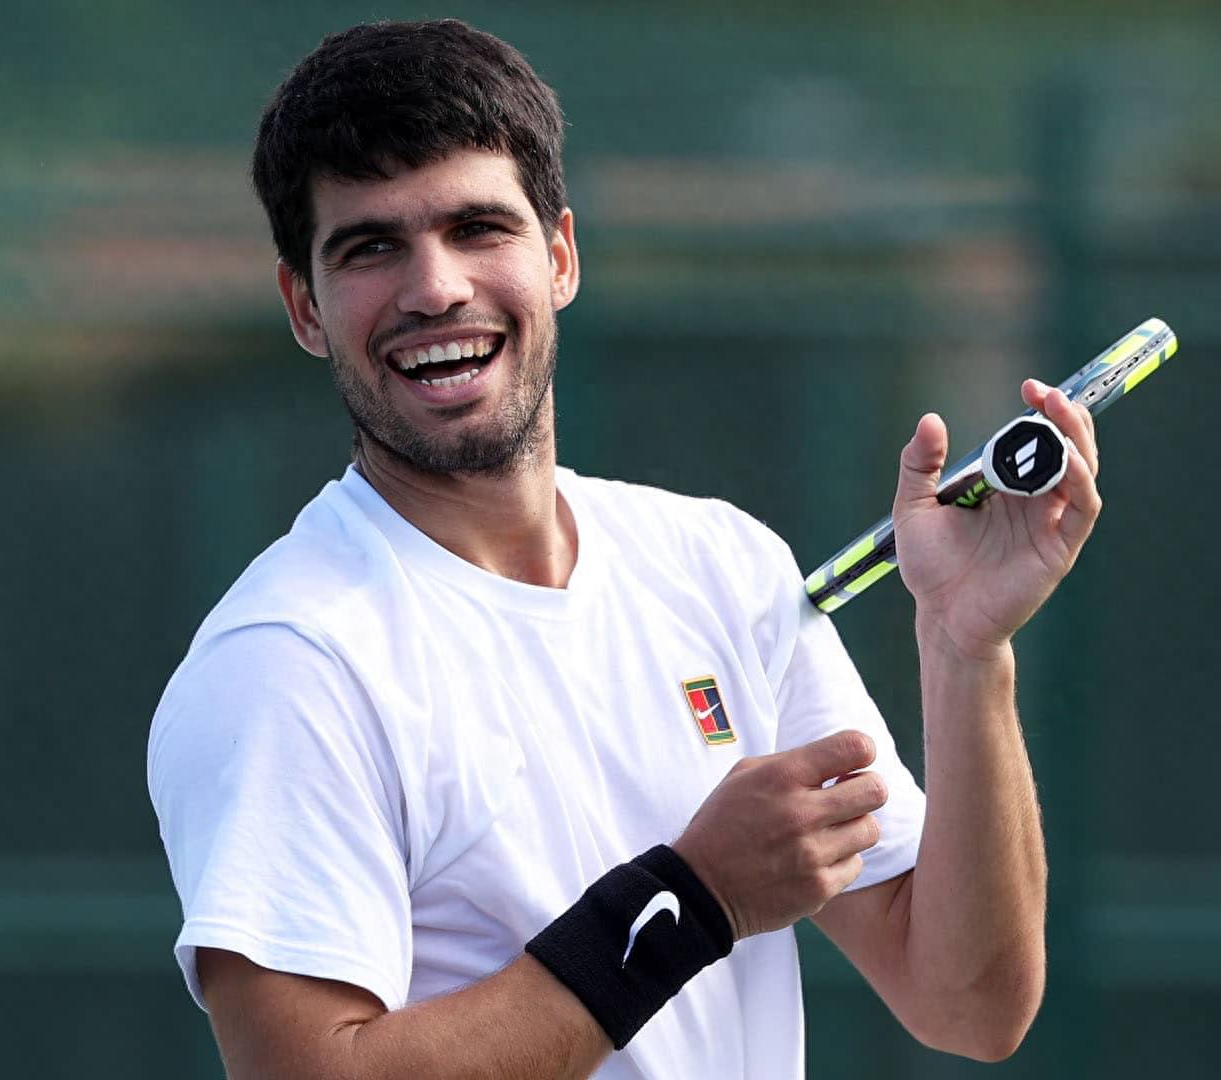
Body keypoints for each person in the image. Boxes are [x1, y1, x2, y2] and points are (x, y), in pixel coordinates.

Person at [147, 18, 1102, 1079]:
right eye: (371, 247)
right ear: (304, 307)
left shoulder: (720, 566)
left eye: (477, 228)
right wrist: (690, 901)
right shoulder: (289, 660)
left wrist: (967, 653)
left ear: (559, 256)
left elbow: (968, 1001)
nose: (434, 288)